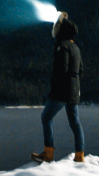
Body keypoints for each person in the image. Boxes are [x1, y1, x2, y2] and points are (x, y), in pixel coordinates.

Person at [32, 11, 85, 163]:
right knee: (75, 122)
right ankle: (79, 155)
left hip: (62, 91)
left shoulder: (62, 46)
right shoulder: (76, 48)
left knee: (46, 117)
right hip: (74, 91)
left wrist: (55, 88)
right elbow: (80, 70)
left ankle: (48, 153)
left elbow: (62, 69)